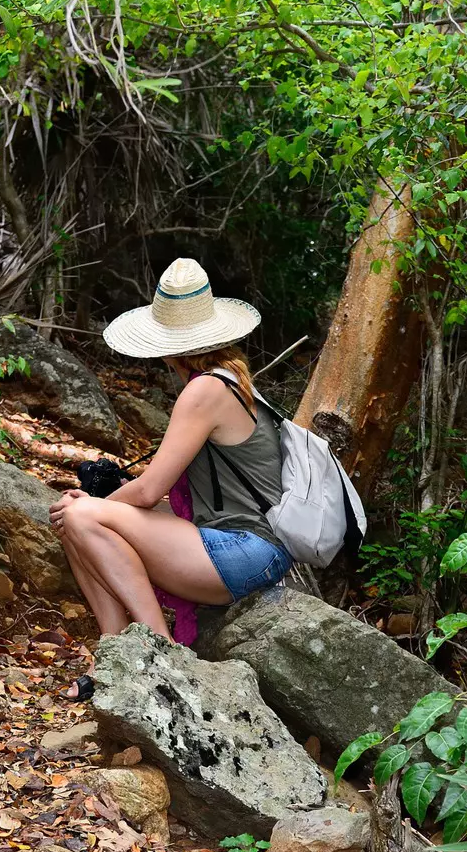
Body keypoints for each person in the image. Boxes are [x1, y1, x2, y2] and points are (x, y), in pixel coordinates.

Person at [50, 258, 293, 652]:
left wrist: (96, 506)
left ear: (167, 350)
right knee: (74, 522)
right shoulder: (231, 383)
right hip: (243, 547)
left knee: (79, 515)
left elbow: (148, 493)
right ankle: (114, 649)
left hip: (246, 551)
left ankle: (159, 650)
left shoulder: (205, 391)